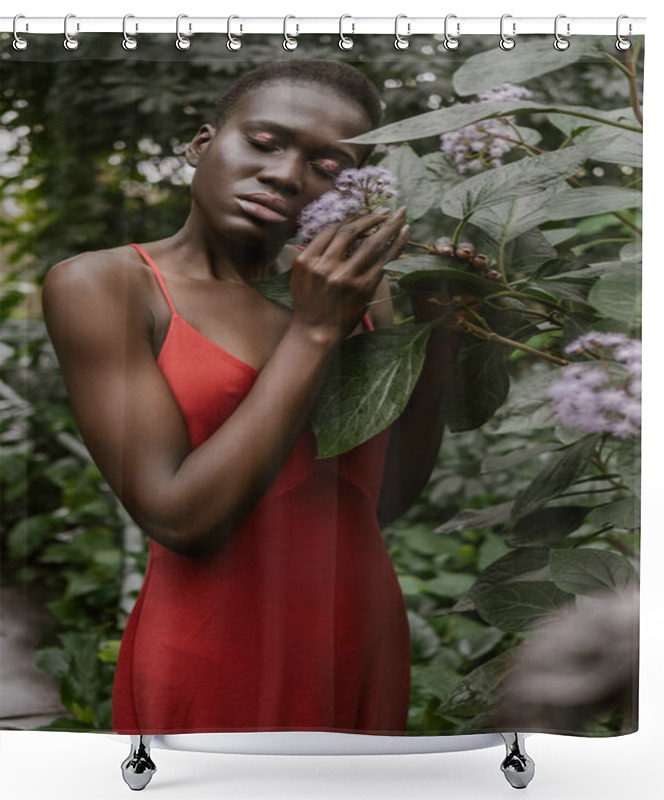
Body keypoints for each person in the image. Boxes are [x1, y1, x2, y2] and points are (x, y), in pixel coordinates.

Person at [41, 61, 462, 735]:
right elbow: (181, 520)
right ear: (202, 145)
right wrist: (316, 330)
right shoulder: (107, 286)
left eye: (327, 166)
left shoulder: (362, 292)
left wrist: (439, 334)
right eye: (264, 143)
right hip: (209, 646)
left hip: (356, 634)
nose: (286, 176)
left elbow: (382, 501)